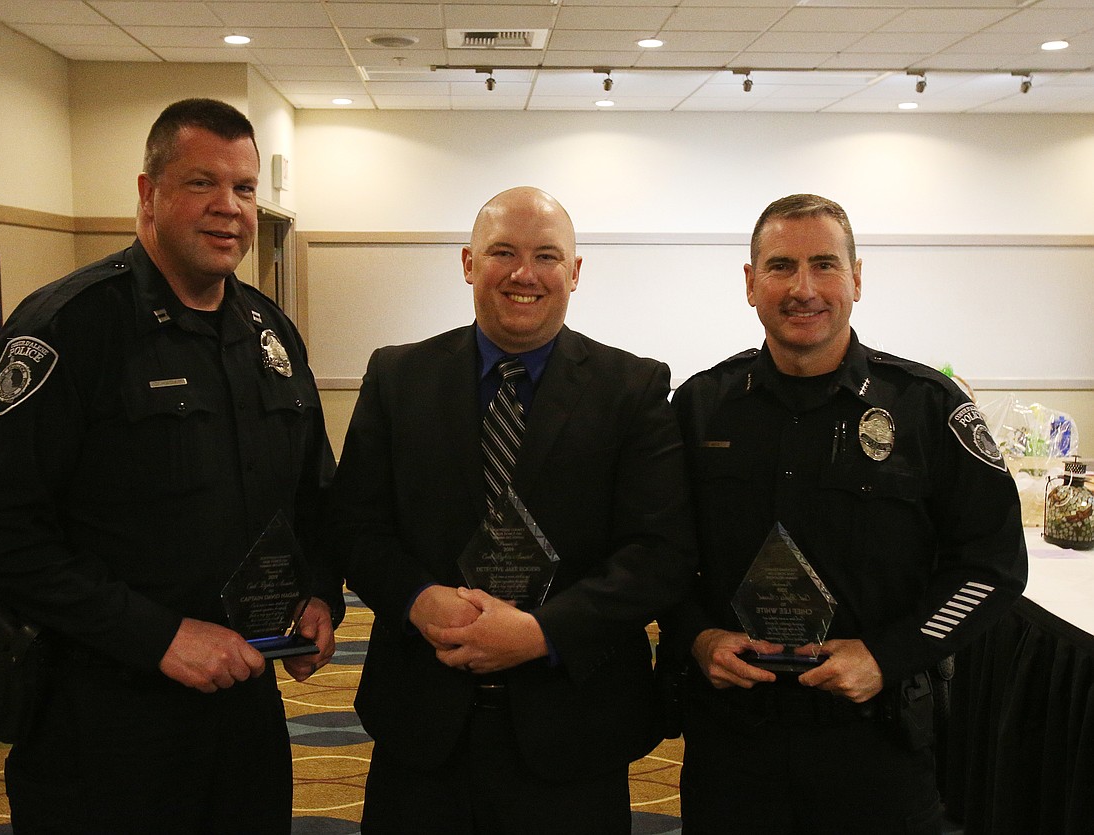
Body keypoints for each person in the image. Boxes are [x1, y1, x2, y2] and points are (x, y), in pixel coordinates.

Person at [0, 98, 342, 833]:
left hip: (245, 706)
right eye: (202, 183)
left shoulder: (270, 333)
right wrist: (158, 636)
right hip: (104, 713)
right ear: (147, 192)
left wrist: (319, 594)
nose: (229, 208)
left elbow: (313, 493)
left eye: (246, 188)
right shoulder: (67, 328)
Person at [330, 186, 697, 833]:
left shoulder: (633, 390)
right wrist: (417, 599)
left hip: (573, 730)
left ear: (575, 272)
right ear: (468, 262)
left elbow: (659, 555)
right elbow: (355, 527)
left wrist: (541, 632)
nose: (524, 273)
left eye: (546, 255)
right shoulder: (397, 378)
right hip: (422, 723)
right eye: (503, 251)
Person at [664, 193, 1029, 834]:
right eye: (780, 266)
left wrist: (889, 656)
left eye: (825, 265)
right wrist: (697, 635)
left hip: (876, 739)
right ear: (750, 284)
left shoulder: (927, 410)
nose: (804, 288)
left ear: (857, 278)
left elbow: (991, 568)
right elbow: (658, 552)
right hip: (733, 741)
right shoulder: (699, 408)